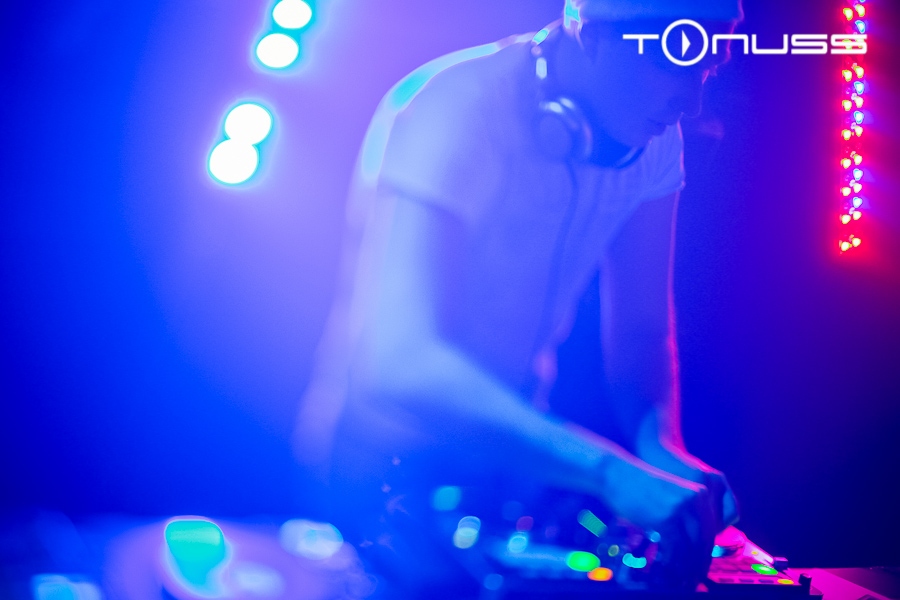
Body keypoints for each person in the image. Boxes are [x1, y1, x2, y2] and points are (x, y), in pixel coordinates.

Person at [295, 0, 743, 595]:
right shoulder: (451, 107)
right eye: (671, 64)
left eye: (707, 70)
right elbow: (398, 361)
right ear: (589, 34)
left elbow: (640, 332)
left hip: (510, 469)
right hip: (381, 468)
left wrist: (660, 449)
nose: (690, 102)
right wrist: (609, 473)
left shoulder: (656, 140)